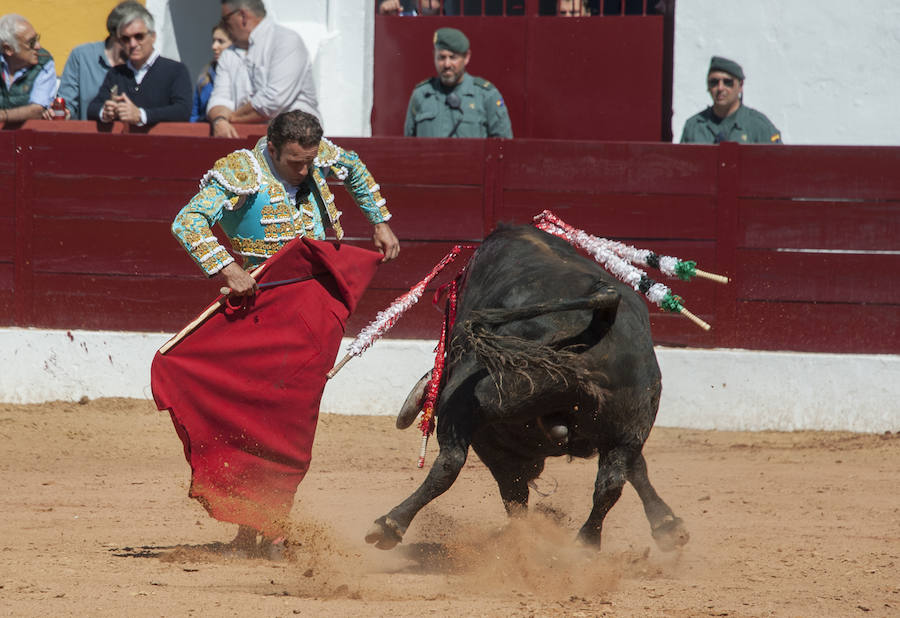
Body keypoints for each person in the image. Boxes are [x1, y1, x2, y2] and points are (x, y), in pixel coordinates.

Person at [166, 110, 398, 555]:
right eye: (296, 163)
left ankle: (270, 525)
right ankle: (256, 526)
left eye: (311, 160)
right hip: (261, 311)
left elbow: (354, 169)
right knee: (253, 417)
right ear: (271, 148)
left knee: (290, 419)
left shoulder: (317, 154)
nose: (307, 171)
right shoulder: (240, 172)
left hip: (312, 311)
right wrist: (228, 267)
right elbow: (187, 222)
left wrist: (379, 220)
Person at [207, 0, 320, 138]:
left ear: (243, 16)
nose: (224, 25)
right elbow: (219, 98)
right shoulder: (229, 54)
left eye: (225, 19)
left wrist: (229, 118)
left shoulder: (285, 41)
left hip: (298, 144)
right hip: (251, 145)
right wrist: (220, 120)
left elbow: (273, 100)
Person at [87, 5, 191, 126]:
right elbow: (92, 108)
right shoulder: (116, 74)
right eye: (126, 39)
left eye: (139, 36)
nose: (132, 44)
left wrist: (142, 115)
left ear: (153, 37)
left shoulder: (175, 70)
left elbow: (183, 111)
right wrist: (106, 112)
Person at [404, 27, 512, 138]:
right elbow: (408, 145)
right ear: (434, 57)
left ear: (466, 57)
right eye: (441, 57)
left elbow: (503, 145)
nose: (447, 64)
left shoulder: (486, 96)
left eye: (453, 57)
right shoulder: (421, 95)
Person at [56, 1, 142, 121]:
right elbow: (67, 103)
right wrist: (63, 113)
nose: (134, 43)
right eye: (127, 36)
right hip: (86, 136)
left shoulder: (143, 62)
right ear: (115, 32)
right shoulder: (82, 56)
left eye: (139, 36)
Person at [680, 56, 782, 144]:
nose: (720, 88)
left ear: (740, 86)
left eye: (727, 82)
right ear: (708, 86)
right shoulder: (694, 127)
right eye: (714, 82)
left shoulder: (758, 126)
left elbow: (778, 162)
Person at [0, 14, 56, 122]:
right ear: (8, 49)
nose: (38, 46)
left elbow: (37, 110)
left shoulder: (44, 61)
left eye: (37, 39)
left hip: (28, 135)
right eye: (31, 43)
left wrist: (3, 116)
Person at [190, 23, 232, 123]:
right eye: (214, 41)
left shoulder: (243, 74)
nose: (214, 46)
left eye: (221, 41)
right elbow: (194, 115)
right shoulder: (205, 75)